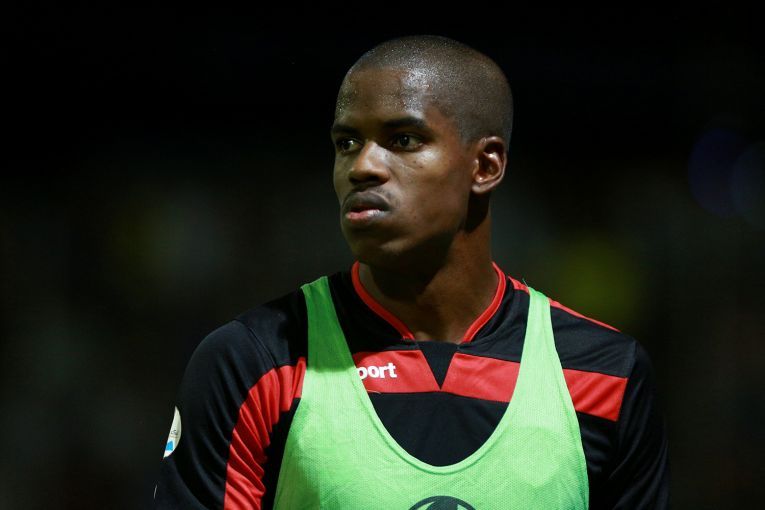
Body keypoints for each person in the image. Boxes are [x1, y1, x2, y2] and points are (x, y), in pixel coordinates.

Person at [153, 35, 669, 509]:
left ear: (485, 166)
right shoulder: (252, 363)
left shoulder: (605, 375)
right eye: (346, 143)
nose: (362, 167)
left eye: (402, 140)